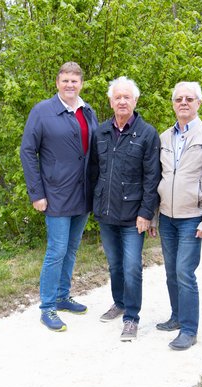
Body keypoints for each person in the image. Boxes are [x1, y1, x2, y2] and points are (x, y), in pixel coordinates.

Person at [20, 62, 98, 332]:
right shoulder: (42, 112)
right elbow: (28, 152)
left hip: (83, 194)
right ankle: (47, 307)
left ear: (81, 84)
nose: (70, 85)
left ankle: (64, 297)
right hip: (55, 195)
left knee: (72, 249)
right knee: (56, 251)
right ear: (57, 83)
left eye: (75, 81)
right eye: (65, 80)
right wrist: (37, 193)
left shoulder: (88, 111)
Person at [150, 82, 202, 351]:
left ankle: (190, 329)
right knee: (171, 271)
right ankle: (177, 317)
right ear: (173, 103)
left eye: (189, 99)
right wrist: (155, 216)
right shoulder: (163, 137)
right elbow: (158, 178)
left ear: (199, 103)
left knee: (184, 271)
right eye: (178, 99)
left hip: (193, 216)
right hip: (168, 216)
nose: (183, 102)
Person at [89, 77, 161, 342]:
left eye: (126, 97)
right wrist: (93, 203)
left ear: (135, 101)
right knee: (115, 264)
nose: (122, 101)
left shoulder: (147, 133)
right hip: (106, 212)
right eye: (117, 97)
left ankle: (131, 317)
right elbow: (94, 170)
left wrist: (146, 212)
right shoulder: (101, 132)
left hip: (134, 215)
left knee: (132, 267)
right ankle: (118, 302)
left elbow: (152, 177)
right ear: (111, 102)